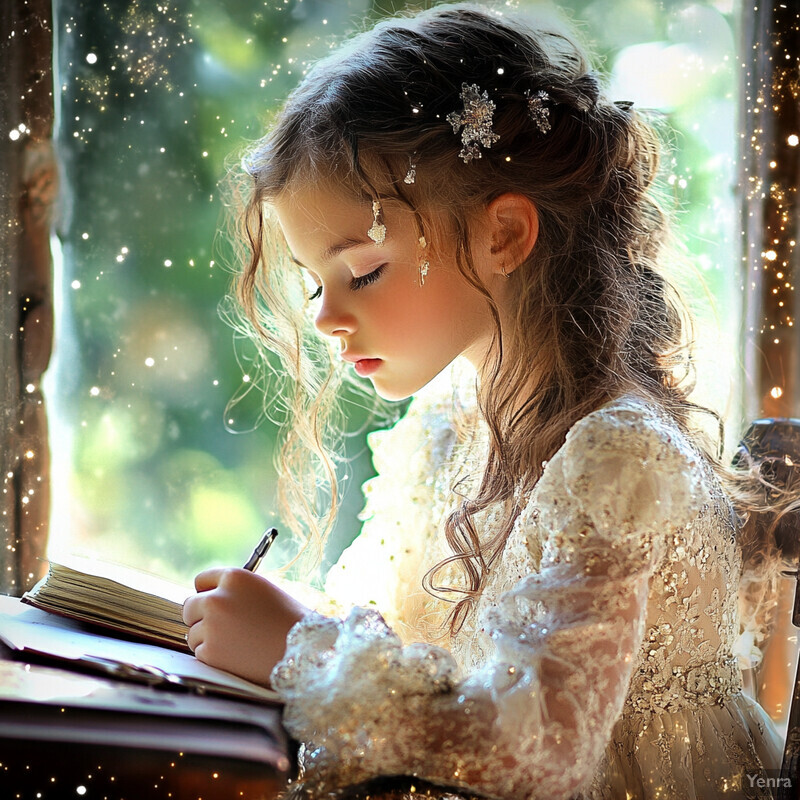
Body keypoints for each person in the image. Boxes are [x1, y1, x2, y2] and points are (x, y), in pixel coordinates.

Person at [181, 4, 786, 798]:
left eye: (361, 271)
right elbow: (413, 645)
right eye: (312, 283)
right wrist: (294, 623)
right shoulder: (446, 425)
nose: (325, 317)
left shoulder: (617, 456)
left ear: (502, 235)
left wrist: (303, 647)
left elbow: (533, 754)